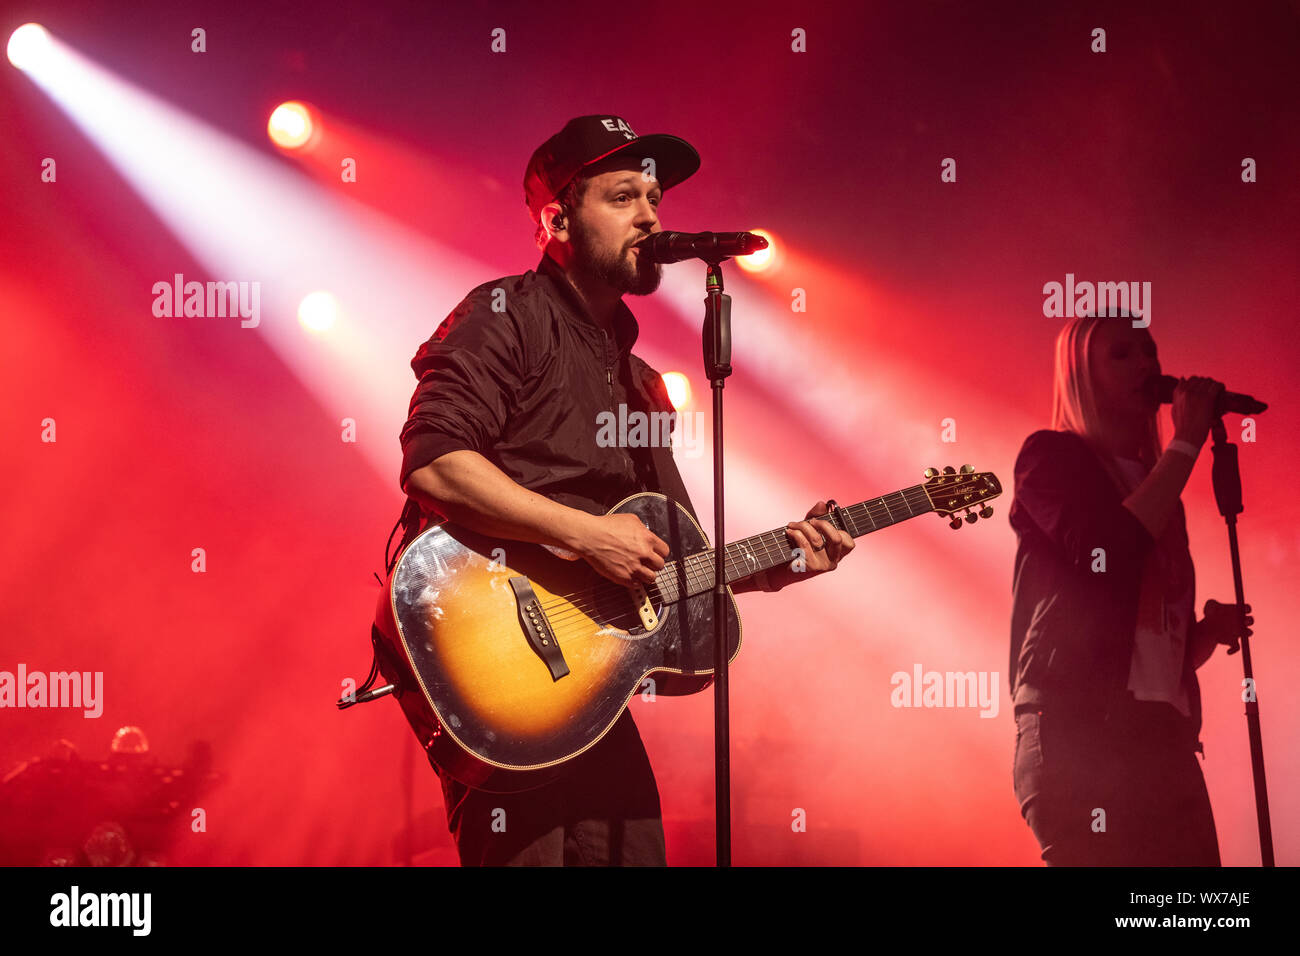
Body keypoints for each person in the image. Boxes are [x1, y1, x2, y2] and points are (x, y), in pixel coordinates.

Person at [395, 115, 855, 865]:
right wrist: (584, 535)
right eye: (623, 197)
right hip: (499, 662)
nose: (651, 215)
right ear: (556, 219)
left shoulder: (642, 384)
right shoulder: (505, 316)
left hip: (587, 685)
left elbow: (671, 559)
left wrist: (787, 561)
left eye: (655, 198)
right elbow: (437, 464)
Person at [1008, 313, 1253, 866]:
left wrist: (1205, 635)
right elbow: (1105, 555)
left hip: (1161, 739)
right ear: (1081, 375)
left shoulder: (1161, 490)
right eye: (1122, 354)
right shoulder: (1051, 458)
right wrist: (1186, 442)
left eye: (1151, 351)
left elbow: (1151, 661)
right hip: (1079, 733)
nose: (1147, 365)